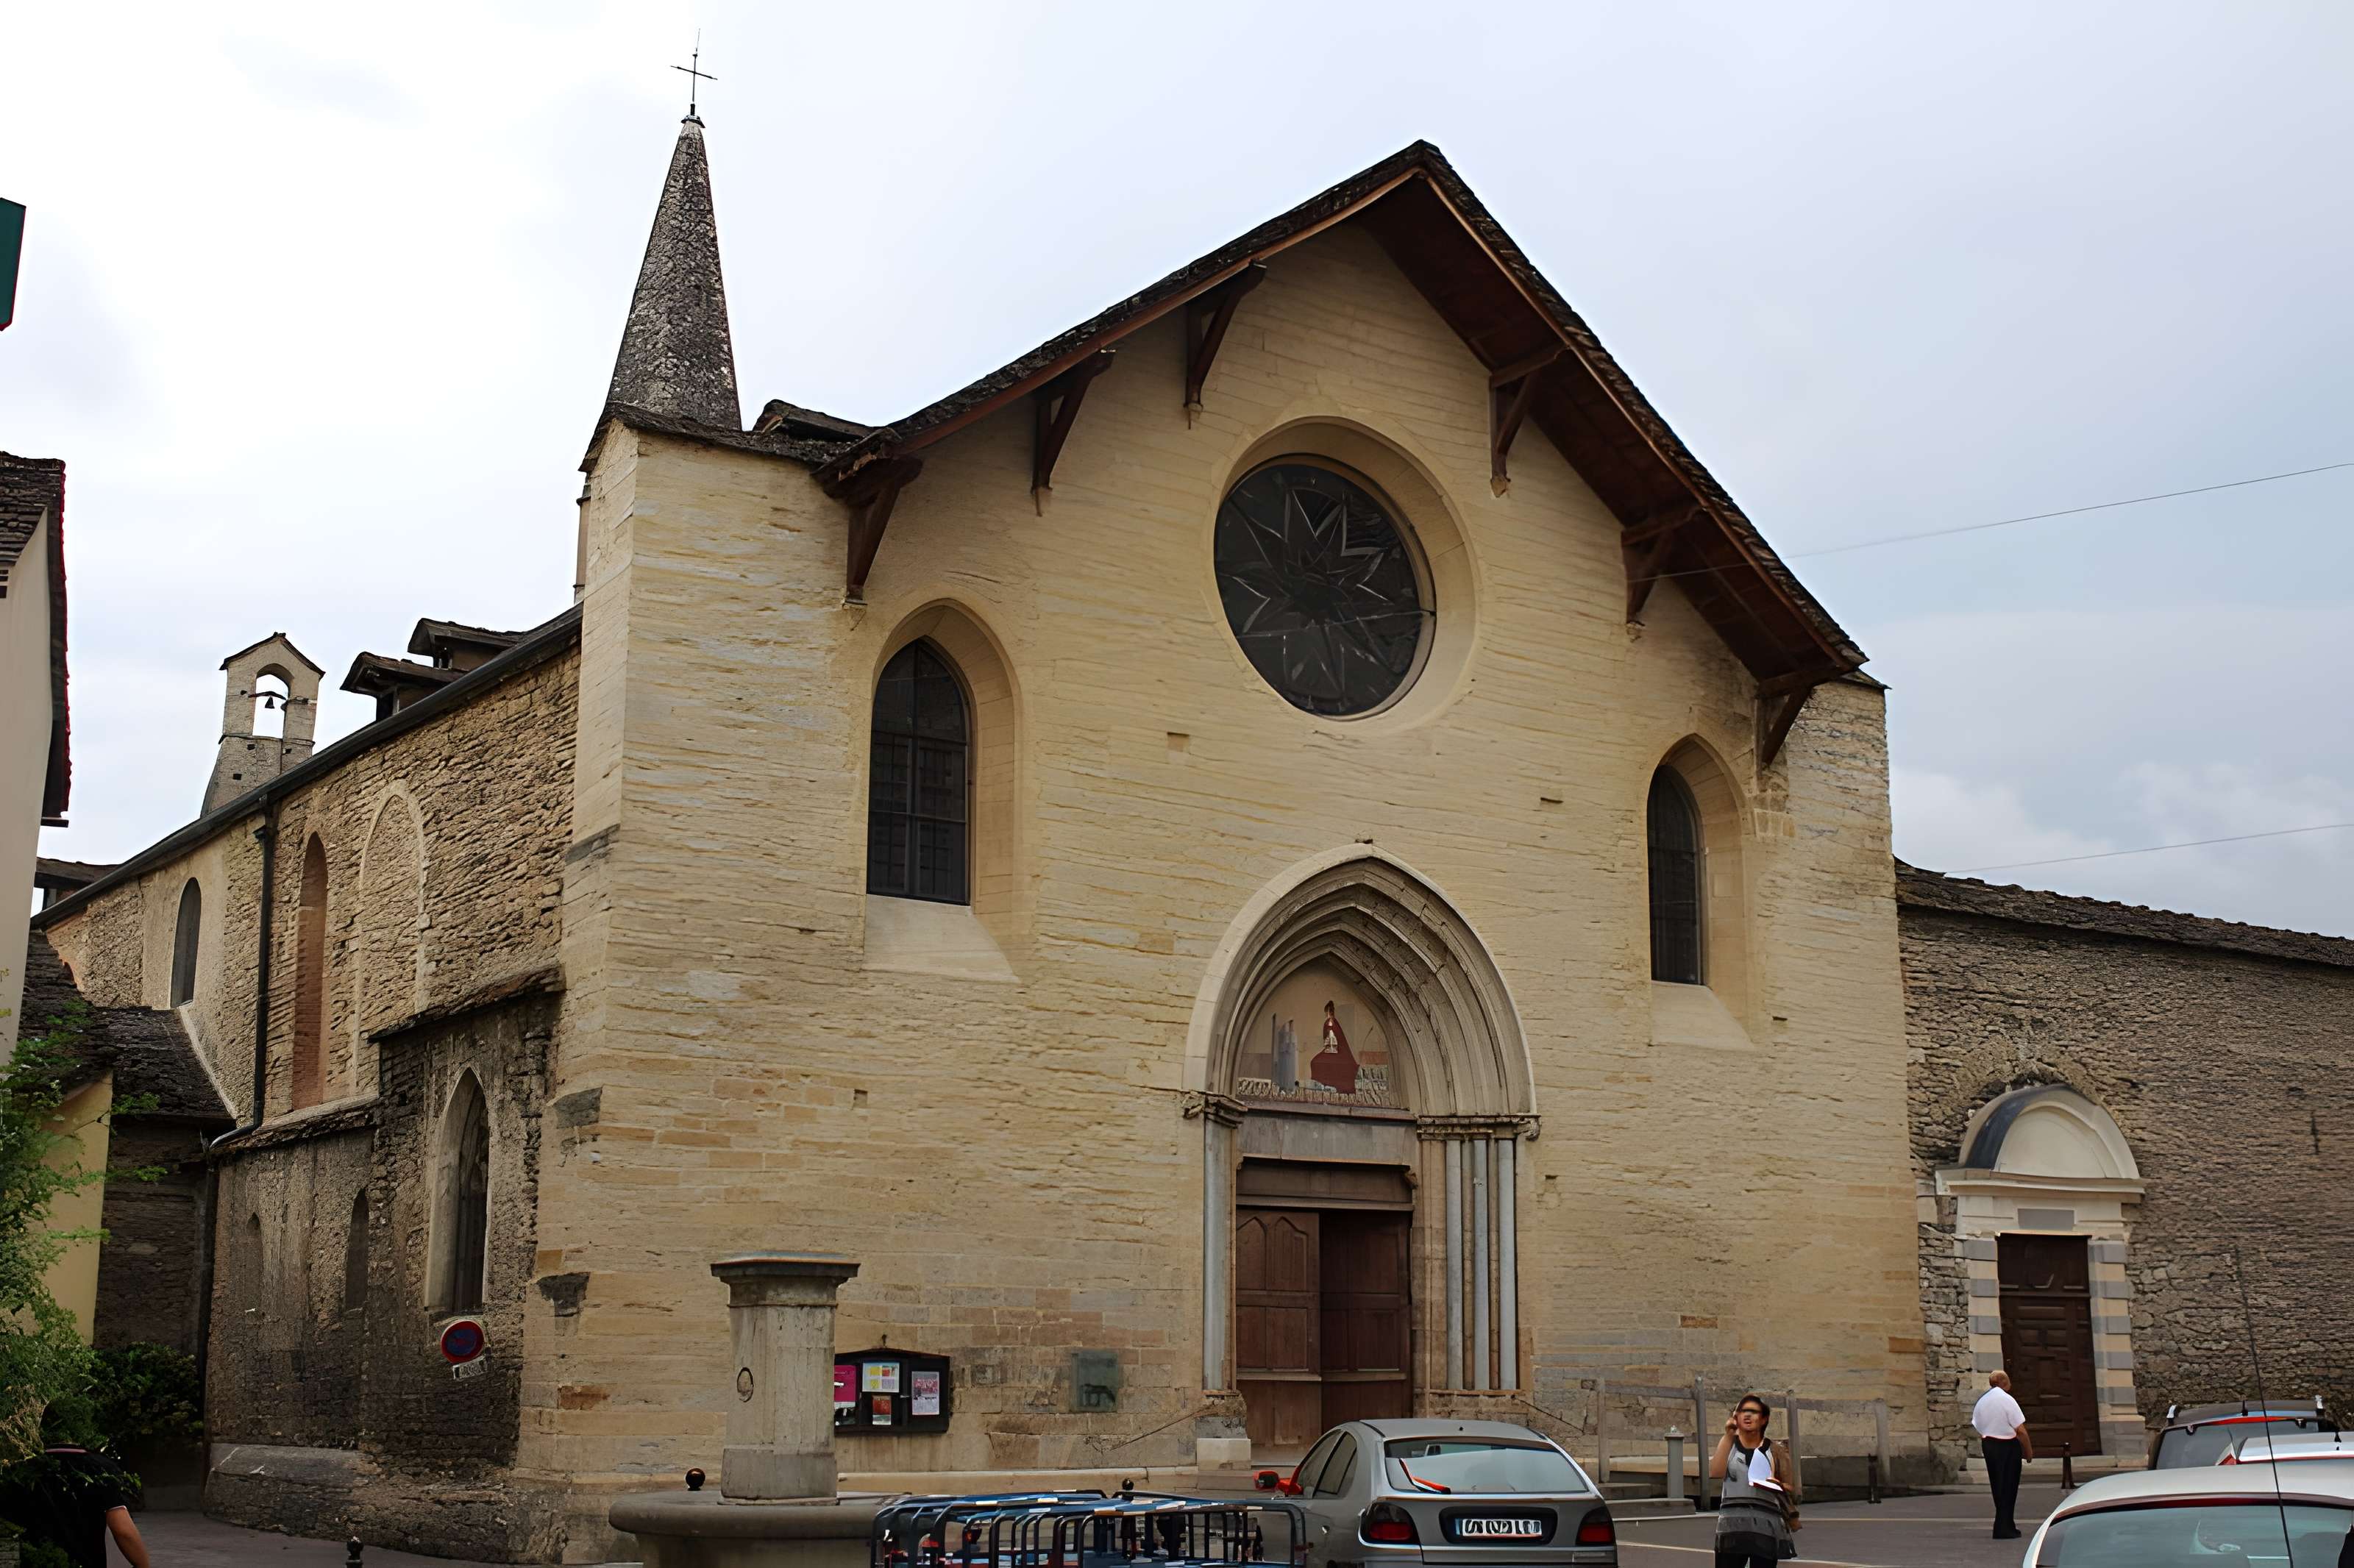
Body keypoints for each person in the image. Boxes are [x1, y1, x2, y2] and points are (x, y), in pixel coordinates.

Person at [0, 1401, 152, 1568]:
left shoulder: (20, 1472)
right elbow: (123, 1531)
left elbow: (8, 1531)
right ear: (82, 1428)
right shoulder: (100, 1469)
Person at [1708, 1393, 1798, 1567]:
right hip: (1732, 1528)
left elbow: (1791, 1487)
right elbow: (1715, 1472)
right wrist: (1728, 1435)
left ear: (1764, 1419)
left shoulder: (1775, 1450)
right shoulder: (1729, 1445)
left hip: (1766, 1528)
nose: (1747, 1415)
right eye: (1743, 1411)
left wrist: (1777, 1485)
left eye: (1753, 1412)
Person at [1972, 1368, 2034, 1540]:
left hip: (1989, 1445)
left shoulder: (1982, 1401)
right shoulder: (2007, 1400)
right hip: (2007, 1446)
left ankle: (2003, 1524)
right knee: (2009, 1486)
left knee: (1998, 1486)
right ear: (2004, 1383)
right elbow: (2020, 1430)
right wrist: (2028, 1452)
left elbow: (1977, 1424)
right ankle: (2005, 1526)